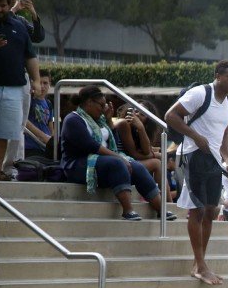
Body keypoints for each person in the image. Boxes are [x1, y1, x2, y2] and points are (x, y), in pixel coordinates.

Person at [165, 60, 228, 286]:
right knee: (197, 210)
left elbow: (224, 134)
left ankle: (200, 263)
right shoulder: (200, 93)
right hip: (193, 154)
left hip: (214, 161)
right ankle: (200, 264)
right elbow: (170, 116)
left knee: (211, 210)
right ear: (218, 76)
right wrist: (196, 136)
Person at [60, 86, 175, 222]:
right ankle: (128, 210)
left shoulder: (100, 121)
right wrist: (118, 157)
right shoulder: (73, 119)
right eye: (101, 105)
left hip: (102, 162)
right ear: (89, 102)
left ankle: (160, 209)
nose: (103, 109)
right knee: (117, 163)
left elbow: (112, 142)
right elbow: (91, 146)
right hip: (78, 164)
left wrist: (108, 120)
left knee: (137, 167)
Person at [0, 0, 40, 180]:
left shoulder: (19, 25)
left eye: (3, 6)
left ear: (9, 5)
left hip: (14, 88)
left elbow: (30, 56)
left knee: (3, 132)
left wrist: (36, 80)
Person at [23, 68, 52, 158]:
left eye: (45, 83)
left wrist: (53, 142)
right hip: (30, 147)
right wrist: (43, 137)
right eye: (40, 82)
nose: (42, 86)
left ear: (49, 85)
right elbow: (24, 120)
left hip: (45, 148)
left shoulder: (48, 103)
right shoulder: (29, 100)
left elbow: (51, 128)